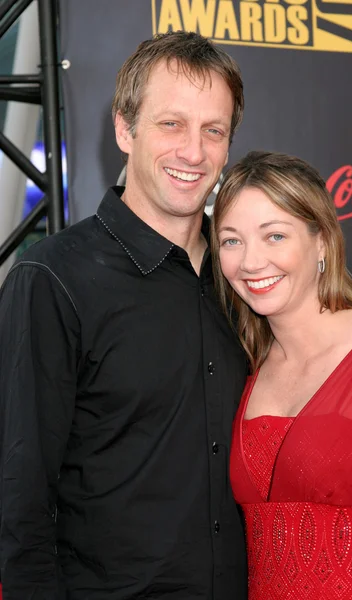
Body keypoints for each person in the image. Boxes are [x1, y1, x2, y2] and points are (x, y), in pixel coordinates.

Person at [0, 31, 249, 600]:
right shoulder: (53, 281)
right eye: (171, 124)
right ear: (123, 129)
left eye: (214, 130)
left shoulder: (246, 281)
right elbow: (20, 505)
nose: (193, 151)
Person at [210, 150, 352, 600]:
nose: (251, 262)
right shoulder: (244, 366)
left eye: (274, 236)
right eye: (231, 240)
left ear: (322, 242)